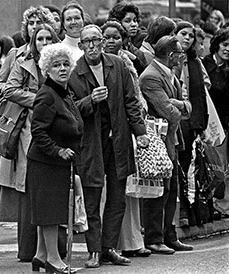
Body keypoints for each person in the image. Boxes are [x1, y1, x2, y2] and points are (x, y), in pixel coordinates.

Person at [68, 24, 149, 268]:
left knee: (117, 198)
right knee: (92, 197)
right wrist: (90, 100)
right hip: (91, 144)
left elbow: (131, 101)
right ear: (80, 45)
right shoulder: (74, 72)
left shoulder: (117, 64)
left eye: (96, 40)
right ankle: (93, 250)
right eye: (87, 41)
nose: (92, 45)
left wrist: (140, 132)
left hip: (118, 141)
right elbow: (69, 111)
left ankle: (109, 248)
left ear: (103, 41)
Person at [0, 24, 65, 263]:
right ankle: (30, 249)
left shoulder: (62, 62)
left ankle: (53, 248)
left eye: (49, 38)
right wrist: (41, 99)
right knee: (30, 186)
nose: (44, 42)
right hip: (29, 126)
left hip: (58, 127)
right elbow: (8, 89)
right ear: (33, 42)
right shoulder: (22, 62)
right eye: (40, 39)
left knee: (53, 186)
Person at [27, 43, 82, 273]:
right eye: (56, 65)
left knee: (48, 210)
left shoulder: (63, 92)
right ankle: (53, 259)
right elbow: (37, 130)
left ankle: (40, 255)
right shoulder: (47, 95)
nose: (62, 69)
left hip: (58, 163)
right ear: (46, 70)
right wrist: (57, 150)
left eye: (65, 64)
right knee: (50, 214)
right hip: (46, 163)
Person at [100, 20, 151, 258]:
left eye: (115, 37)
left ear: (123, 40)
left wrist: (140, 131)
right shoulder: (87, 63)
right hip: (98, 139)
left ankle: (123, 242)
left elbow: (134, 99)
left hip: (121, 134)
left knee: (122, 194)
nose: (110, 41)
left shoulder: (125, 62)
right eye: (106, 37)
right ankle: (100, 245)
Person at [139, 35, 193, 255]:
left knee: (171, 189)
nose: (182, 57)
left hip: (171, 139)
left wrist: (179, 104)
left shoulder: (172, 75)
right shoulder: (150, 77)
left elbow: (185, 108)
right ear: (171, 55)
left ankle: (169, 235)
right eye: (180, 53)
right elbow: (168, 112)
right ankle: (153, 238)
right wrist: (181, 107)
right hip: (156, 143)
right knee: (157, 191)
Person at [174, 21, 211, 228]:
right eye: (183, 34)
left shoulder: (196, 62)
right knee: (177, 167)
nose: (187, 38)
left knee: (189, 166)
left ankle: (190, 210)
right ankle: (179, 213)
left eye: (190, 35)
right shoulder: (172, 59)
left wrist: (201, 123)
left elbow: (203, 90)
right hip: (175, 119)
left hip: (191, 121)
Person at [107, 1, 148, 74]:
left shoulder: (137, 52)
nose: (133, 24)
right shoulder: (109, 48)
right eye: (127, 21)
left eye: (135, 20)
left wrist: (135, 59)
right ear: (118, 23)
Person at [202, 28, 229, 130]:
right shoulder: (203, 64)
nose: (228, 49)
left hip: (222, 125)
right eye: (225, 45)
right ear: (217, 44)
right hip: (204, 121)